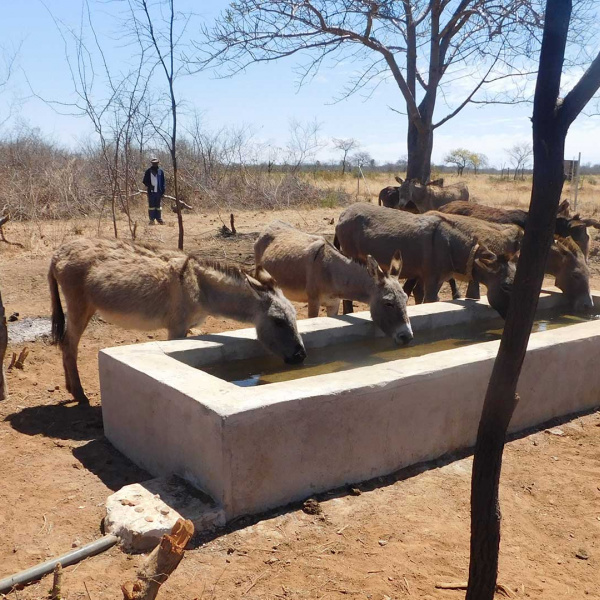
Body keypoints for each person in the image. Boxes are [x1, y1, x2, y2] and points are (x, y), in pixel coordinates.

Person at [142, 157, 166, 225]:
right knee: (151, 206)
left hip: (159, 192)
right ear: (152, 163)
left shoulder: (161, 171)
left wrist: (163, 191)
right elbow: (144, 181)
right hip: (151, 192)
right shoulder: (148, 171)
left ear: (158, 163)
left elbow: (163, 181)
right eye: (153, 163)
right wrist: (150, 185)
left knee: (158, 206)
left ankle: (159, 219)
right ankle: (152, 220)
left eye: (156, 163)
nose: (155, 164)